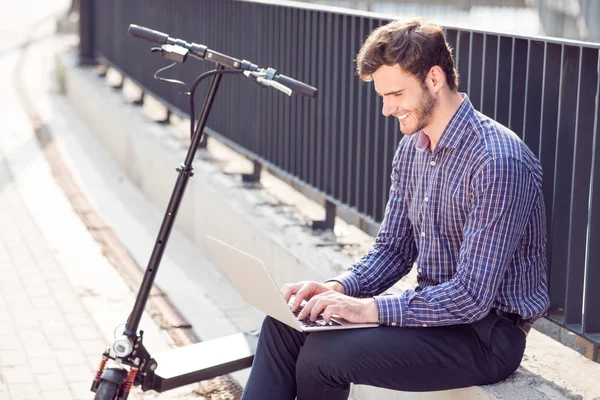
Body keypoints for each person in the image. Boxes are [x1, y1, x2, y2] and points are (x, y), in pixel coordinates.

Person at [241, 18, 549, 400]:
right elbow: (394, 249)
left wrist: (367, 309)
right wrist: (337, 289)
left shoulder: (498, 161)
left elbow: (471, 296)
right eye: (383, 96)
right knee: (286, 323)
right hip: (432, 317)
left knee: (322, 357)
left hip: (486, 334)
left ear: (434, 78)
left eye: (396, 95)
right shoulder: (413, 148)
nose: (387, 110)